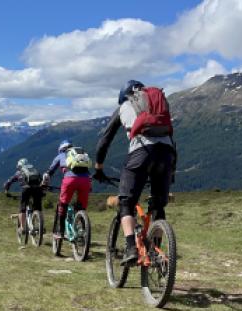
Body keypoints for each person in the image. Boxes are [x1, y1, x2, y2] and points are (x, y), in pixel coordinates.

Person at [94, 80, 176, 265]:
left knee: (126, 203)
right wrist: (171, 171)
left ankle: (130, 248)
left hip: (141, 153)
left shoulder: (125, 105)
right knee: (158, 205)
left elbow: (104, 141)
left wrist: (99, 167)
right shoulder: (157, 104)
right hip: (167, 154)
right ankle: (156, 252)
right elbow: (170, 136)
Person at [42, 140, 92, 238]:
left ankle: (60, 232)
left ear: (61, 149)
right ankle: (82, 230)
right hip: (86, 181)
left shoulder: (61, 155)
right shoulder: (80, 155)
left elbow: (49, 173)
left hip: (70, 180)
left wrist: (44, 184)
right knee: (81, 207)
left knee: (63, 204)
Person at [4, 158, 43, 234]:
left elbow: (9, 182)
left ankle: (22, 228)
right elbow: (41, 180)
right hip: (37, 189)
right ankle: (41, 225)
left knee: (23, 207)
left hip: (26, 189)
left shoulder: (19, 172)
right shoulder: (34, 170)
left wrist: (6, 191)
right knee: (38, 207)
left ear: (19, 166)